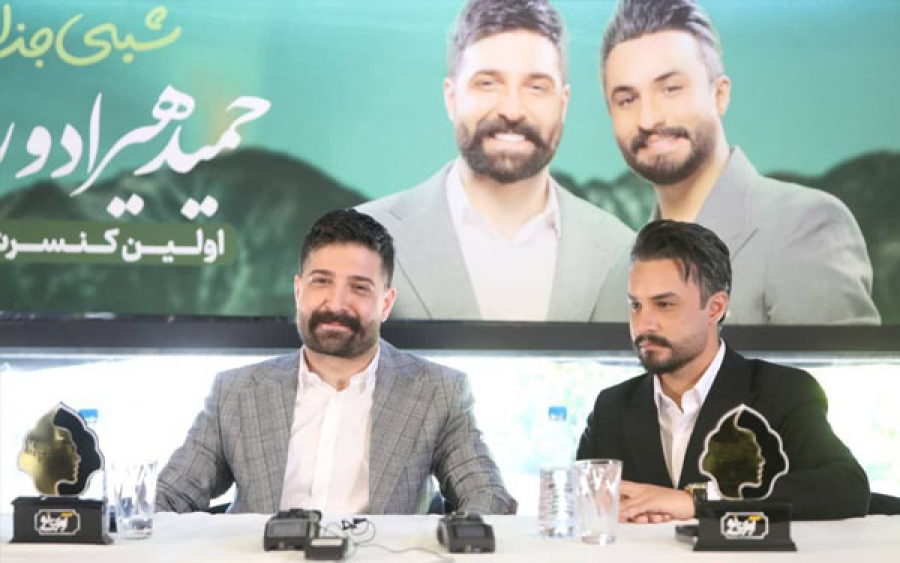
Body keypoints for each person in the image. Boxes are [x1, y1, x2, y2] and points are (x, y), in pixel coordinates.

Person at [156, 209, 516, 515]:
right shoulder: (235, 392)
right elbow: (169, 497)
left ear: (386, 303)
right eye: (321, 282)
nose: (337, 303)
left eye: (359, 287)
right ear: (299, 291)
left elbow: (488, 497)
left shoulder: (439, 392)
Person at [599, 0, 879, 324]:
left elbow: (835, 360)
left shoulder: (804, 228)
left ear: (720, 95)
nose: (648, 119)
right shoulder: (618, 276)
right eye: (627, 100)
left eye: (671, 89)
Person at [358, 0, 634, 322]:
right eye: (488, 83)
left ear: (563, 105)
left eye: (536, 86)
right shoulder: (360, 238)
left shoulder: (623, 253)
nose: (512, 110)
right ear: (451, 98)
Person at [576, 220, 870, 521]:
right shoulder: (611, 408)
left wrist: (698, 501)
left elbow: (847, 488)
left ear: (715, 308)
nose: (644, 323)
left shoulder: (781, 391)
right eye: (636, 305)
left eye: (664, 305)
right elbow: (580, 507)